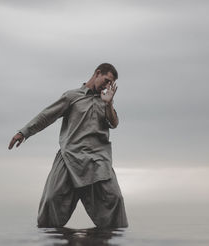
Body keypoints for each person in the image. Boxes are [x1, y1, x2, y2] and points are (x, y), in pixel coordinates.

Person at [8, 63, 128, 228]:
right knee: (51, 200)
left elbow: (114, 123)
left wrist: (108, 103)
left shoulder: (105, 101)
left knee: (115, 199)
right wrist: (24, 132)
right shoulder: (72, 96)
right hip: (70, 157)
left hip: (98, 160)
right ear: (97, 73)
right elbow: (47, 115)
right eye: (106, 80)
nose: (108, 86)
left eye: (111, 84)